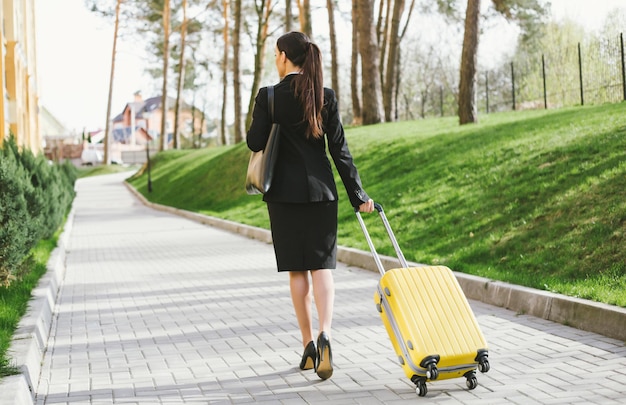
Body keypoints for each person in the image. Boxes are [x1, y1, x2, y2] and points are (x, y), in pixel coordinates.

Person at [246, 31, 374, 380]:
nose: (275, 60)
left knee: (297, 270)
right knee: (322, 268)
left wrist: (270, 116)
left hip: (283, 196)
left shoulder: (269, 96)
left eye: (276, 55)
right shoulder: (324, 96)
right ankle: (326, 333)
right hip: (322, 194)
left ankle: (307, 345)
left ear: (285, 57)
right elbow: (340, 151)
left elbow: (254, 141)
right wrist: (359, 196)